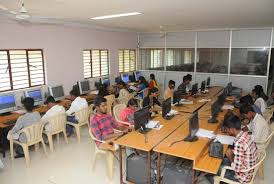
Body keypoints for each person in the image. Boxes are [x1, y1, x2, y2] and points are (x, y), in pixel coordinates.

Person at [208, 114, 257, 184]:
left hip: (242, 177)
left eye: (227, 129)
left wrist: (230, 156)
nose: (226, 132)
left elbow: (237, 169)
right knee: (222, 160)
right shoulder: (246, 134)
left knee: (210, 172)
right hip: (248, 169)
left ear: (232, 129)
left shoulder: (239, 143)